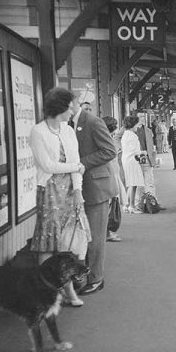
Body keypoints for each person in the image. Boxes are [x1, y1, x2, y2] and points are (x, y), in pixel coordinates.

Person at [29, 87, 89, 307]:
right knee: (47, 243)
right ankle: (44, 293)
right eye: (72, 105)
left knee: (67, 242)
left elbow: (77, 161)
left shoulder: (68, 130)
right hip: (49, 189)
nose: (74, 109)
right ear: (61, 106)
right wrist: (76, 166)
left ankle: (68, 293)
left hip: (70, 190)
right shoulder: (38, 131)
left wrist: (79, 190)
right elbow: (47, 165)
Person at [70, 96, 118, 295]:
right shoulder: (67, 124)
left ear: (72, 104)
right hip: (79, 188)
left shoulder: (92, 121)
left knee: (96, 237)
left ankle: (97, 279)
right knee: (81, 237)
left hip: (97, 188)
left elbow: (110, 151)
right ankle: (82, 275)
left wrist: (81, 163)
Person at [102, 116, 127, 242]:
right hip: (110, 175)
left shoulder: (108, 139)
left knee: (111, 205)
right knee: (110, 205)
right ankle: (106, 233)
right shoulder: (108, 140)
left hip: (112, 174)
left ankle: (108, 232)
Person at [135, 116, 166, 212]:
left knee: (150, 181)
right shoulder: (129, 130)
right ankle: (139, 204)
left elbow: (152, 144)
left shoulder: (148, 130)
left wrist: (154, 156)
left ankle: (153, 203)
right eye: (140, 117)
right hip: (136, 159)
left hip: (147, 158)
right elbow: (117, 138)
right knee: (139, 183)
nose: (142, 119)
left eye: (143, 117)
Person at [120, 115, 147, 213]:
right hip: (132, 160)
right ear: (133, 124)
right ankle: (132, 206)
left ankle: (126, 205)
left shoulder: (125, 134)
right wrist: (143, 152)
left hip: (126, 159)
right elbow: (136, 151)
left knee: (130, 182)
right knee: (134, 183)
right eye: (137, 124)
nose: (138, 126)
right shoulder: (133, 135)